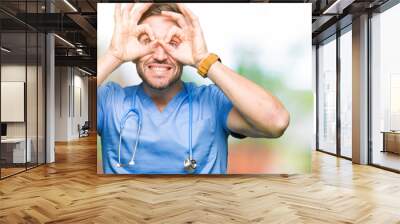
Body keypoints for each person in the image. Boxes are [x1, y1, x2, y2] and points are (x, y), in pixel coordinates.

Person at [97, 3, 290, 174]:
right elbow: (69, 119)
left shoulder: (213, 101)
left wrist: (203, 60)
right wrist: (114, 55)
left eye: (172, 43)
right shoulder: (109, 100)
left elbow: (276, 121)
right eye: (147, 41)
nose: (160, 55)